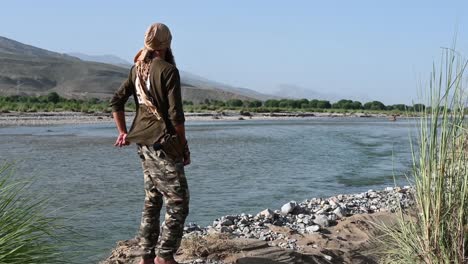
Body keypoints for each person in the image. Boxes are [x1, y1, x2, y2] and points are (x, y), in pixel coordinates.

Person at [110, 23, 190, 264]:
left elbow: (116, 101)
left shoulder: (137, 69)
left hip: (143, 144)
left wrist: (123, 132)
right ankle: (164, 257)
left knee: (153, 199)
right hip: (162, 145)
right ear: (168, 42)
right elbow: (176, 117)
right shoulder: (168, 70)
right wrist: (183, 146)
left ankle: (146, 255)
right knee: (178, 202)